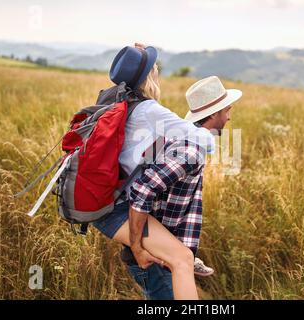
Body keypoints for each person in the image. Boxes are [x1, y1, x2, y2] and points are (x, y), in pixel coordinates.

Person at [92, 44, 216, 299]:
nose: (158, 68)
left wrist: (139, 58)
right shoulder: (148, 110)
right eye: (154, 66)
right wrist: (204, 126)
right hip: (114, 207)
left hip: (109, 199)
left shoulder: (117, 99)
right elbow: (207, 142)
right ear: (149, 76)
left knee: (178, 261)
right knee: (182, 259)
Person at [118, 76, 242, 299]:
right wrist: (137, 246)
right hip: (157, 258)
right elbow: (143, 190)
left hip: (166, 253)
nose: (229, 116)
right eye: (226, 110)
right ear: (213, 114)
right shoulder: (190, 150)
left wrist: (186, 253)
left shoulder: (184, 139)